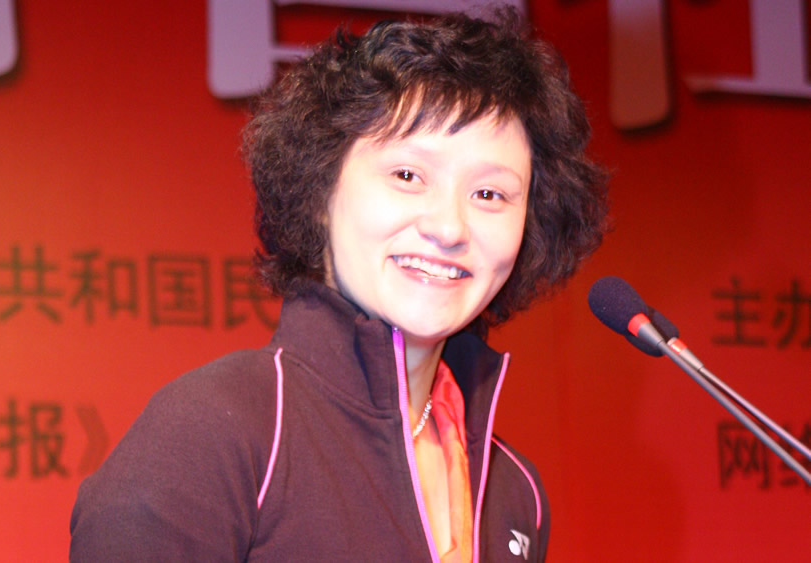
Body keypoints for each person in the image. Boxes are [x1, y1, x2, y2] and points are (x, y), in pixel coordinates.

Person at [70, 6, 607, 562]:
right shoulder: (214, 432)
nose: (449, 228)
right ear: (320, 191)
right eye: (407, 176)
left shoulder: (516, 492)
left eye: (490, 194)